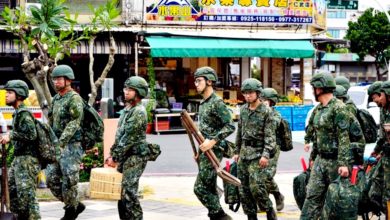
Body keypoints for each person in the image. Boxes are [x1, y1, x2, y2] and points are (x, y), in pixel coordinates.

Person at [301, 73, 351, 220]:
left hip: (335, 162)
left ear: (320, 88)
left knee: (334, 202)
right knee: (312, 197)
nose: (313, 91)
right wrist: (312, 156)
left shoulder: (339, 108)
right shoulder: (319, 109)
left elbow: (344, 137)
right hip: (320, 161)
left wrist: (343, 164)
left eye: (314, 88)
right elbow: (317, 136)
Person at [193, 66, 235, 220]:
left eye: (199, 81)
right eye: (195, 81)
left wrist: (212, 141)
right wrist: (199, 151)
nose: (196, 84)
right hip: (204, 150)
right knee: (210, 187)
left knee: (200, 188)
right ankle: (214, 215)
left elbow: (230, 126)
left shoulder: (217, 102)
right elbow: (202, 132)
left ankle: (221, 216)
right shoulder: (203, 103)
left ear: (209, 81)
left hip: (214, 150)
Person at [105, 76, 150, 220]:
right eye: (126, 89)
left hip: (135, 156)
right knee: (122, 194)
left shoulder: (138, 112)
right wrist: (112, 154)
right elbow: (119, 136)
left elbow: (128, 138)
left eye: (130, 89)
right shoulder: (128, 109)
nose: (126, 92)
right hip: (126, 156)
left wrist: (114, 157)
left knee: (129, 193)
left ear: (139, 92)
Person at [233, 78, 278, 220]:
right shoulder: (244, 110)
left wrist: (266, 154)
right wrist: (236, 151)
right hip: (244, 154)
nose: (247, 96)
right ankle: (251, 217)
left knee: (257, 187)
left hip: (258, 154)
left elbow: (270, 136)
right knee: (244, 188)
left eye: (250, 93)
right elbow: (239, 132)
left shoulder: (266, 111)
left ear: (258, 93)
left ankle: (269, 210)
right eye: (245, 93)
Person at [46, 65, 85, 220]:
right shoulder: (56, 99)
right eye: (54, 79)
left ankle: (70, 212)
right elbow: (51, 120)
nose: (55, 82)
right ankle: (75, 204)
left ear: (68, 80)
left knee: (70, 180)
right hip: (57, 146)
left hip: (71, 146)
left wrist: (61, 142)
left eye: (59, 79)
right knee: (51, 178)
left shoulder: (74, 98)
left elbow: (75, 122)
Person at [0, 80, 41, 219]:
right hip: (19, 159)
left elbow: (32, 135)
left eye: (10, 92)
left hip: (27, 160)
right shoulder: (17, 113)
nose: (6, 95)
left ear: (19, 95)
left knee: (27, 198)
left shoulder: (24, 113)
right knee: (11, 193)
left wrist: (11, 135)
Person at [260, 88, 285, 212]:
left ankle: (277, 195)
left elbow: (273, 124)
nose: (263, 102)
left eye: (266, 100)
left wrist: (266, 111)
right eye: (261, 100)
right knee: (257, 176)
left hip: (273, 148)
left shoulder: (275, 114)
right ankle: (264, 201)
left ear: (272, 102)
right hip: (259, 147)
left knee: (267, 175)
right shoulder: (257, 112)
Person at [370, 81, 390, 217]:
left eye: (381, 95)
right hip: (387, 156)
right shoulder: (385, 110)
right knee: (382, 192)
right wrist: (377, 151)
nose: (379, 99)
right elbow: (383, 137)